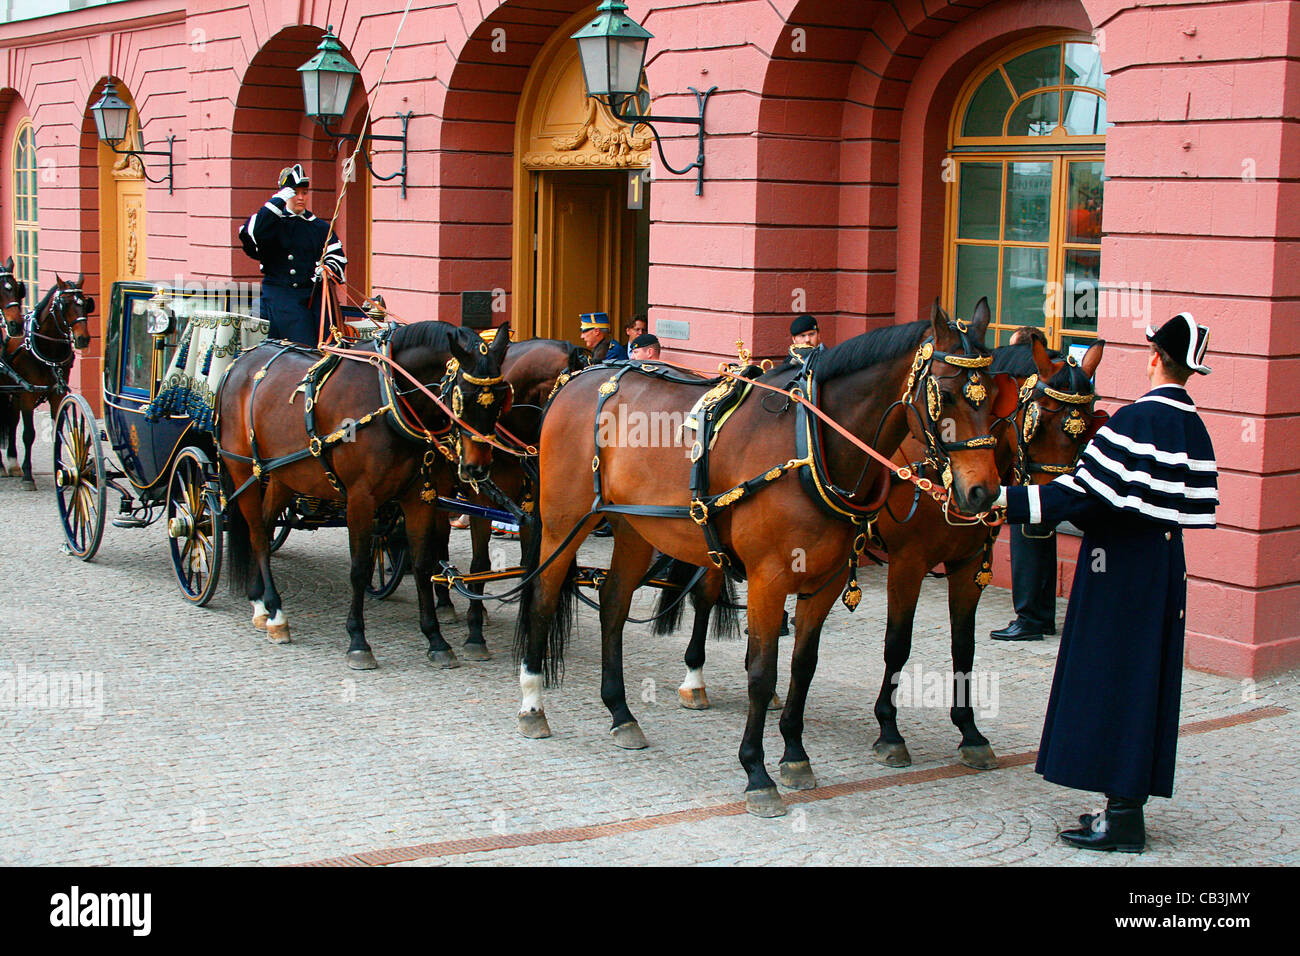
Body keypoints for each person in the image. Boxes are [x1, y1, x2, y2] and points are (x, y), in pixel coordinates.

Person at [993, 312, 1218, 853]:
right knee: (1145, 683)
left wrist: (1001, 499)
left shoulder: (1136, 420)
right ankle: (1124, 808)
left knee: (1107, 680)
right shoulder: (1192, 424)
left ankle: (1120, 822)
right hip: (1163, 570)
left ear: (1156, 359)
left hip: (1116, 571)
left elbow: (1080, 498)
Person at [992, 326, 1059, 642]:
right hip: (1051, 481)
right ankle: (1042, 617)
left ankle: (1029, 618)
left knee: (1028, 542)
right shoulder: (1056, 378)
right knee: (1043, 542)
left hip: (1030, 475)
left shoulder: (1030, 387)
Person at [238, 164, 346, 346]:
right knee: (300, 334)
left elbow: (336, 256)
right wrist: (278, 200)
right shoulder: (272, 223)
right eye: (295, 193)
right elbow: (256, 233)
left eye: (304, 192)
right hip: (280, 297)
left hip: (313, 296)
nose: (301, 198)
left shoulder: (319, 227)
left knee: (330, 335)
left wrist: (326, 268)